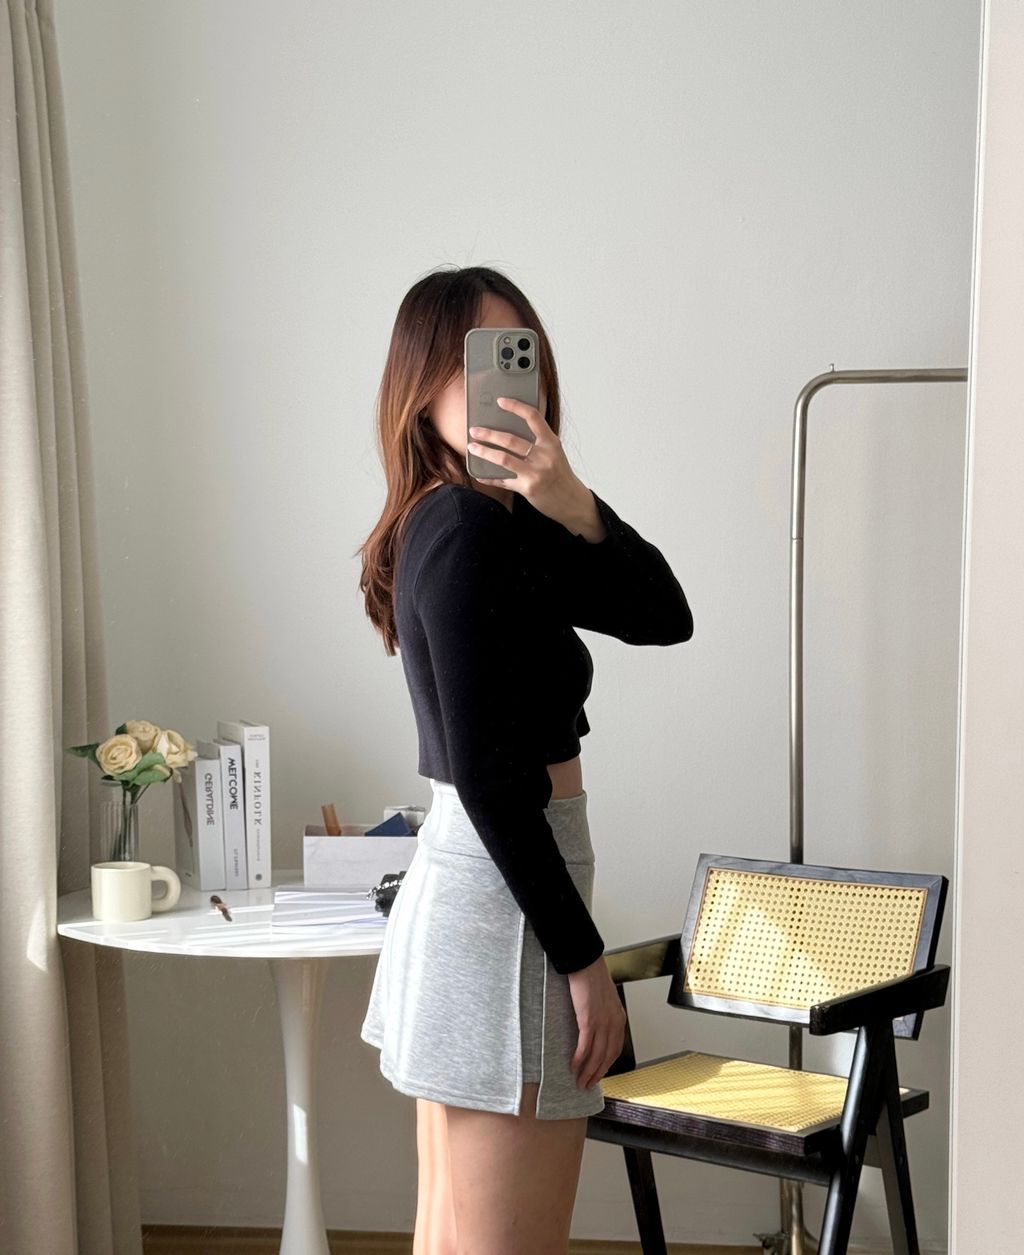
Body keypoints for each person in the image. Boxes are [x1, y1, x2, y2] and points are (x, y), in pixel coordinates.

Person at [357, 265, 694, 1255]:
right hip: (507, 906)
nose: (514, 382)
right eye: (480, 360)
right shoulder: (466, 528)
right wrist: (583, 960)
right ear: (420, 383)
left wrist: (569, 497)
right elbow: (491, 778)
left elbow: (663, 614)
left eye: (524, 356)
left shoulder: (493, 521)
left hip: (490, 894)